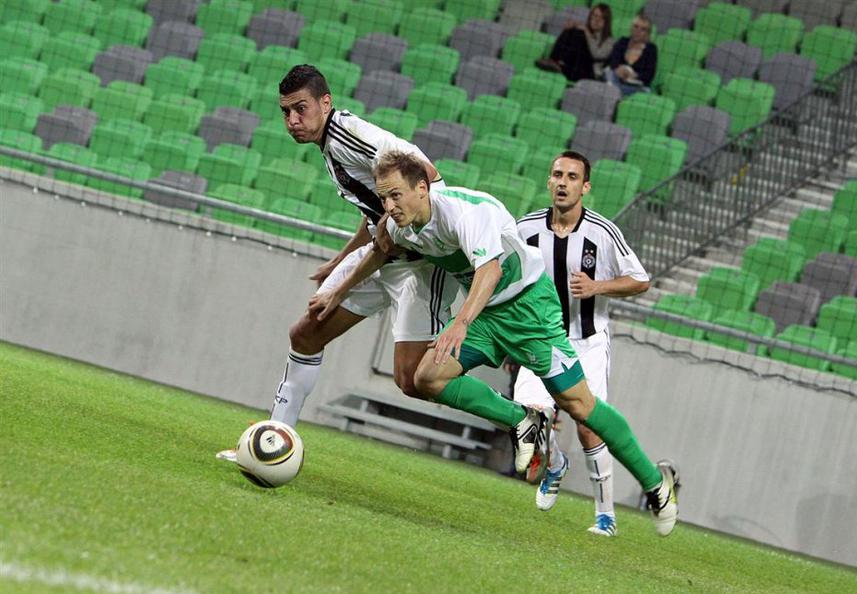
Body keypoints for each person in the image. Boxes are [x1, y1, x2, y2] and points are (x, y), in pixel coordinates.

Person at [310, 151, 680, 536]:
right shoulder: (400, 226)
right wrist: (338, 290)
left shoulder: (465, 213)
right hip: (486, 314)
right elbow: (379, 251)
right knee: (427, 377)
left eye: (395, 196)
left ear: (422, 188)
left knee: (579, 406)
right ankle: (523, 419)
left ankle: (656, 483)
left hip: (528, 310)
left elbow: (490, 269)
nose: (389, 206)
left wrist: (460, 323)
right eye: (384, 198)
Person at [216, 65, 548, 476]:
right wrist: (341, 259)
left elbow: (424, 171)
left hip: (418, 268)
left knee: (410, 379)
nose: (292, 120)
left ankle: (521, 417)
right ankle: (275, 441)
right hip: (381, 255)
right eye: (286, 112)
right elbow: (375, 210)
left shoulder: (350, 134)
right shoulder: (330, 149)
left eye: (301, 109)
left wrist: (415, 233)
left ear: (325, 103)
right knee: (306, 332)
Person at [514, 151, 651, 537]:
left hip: (587, 341)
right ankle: (556, 464)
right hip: (541, 339)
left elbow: (640, 280)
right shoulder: (525, 229)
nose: (563, 182)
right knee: (529, 420)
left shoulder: (602, 232)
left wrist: (597, 286)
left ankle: (606, 516)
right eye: (557, 174)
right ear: (548, 180)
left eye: (572, 177)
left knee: (589, 425)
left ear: (585, 186)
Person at [537, 4, 616, 82]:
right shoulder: (586, 31)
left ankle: (560, 65)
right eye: (594, 15)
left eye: (601, 18)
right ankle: (553, 60)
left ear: (606, 22)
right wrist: (573, 26)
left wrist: (586, 32)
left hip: (589, 73)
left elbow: (596, 54)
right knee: (571, 29)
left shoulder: (610, 41)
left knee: (580, 33)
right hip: (574, 66)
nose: (596, 20)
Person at [606, 14, 657, 96]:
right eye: (636, 26)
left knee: (612, 87)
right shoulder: (622, 41)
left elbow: (649, 75)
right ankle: (615, 92)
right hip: (618, 80)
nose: (638, 31)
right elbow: (612, 62)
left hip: (636, 87)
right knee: (609, 73)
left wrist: (634, 75)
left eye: (643, 29)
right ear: (631, 28)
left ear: (647, 33)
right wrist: (619, 69)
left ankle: (614, 93)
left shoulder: (651, 49)